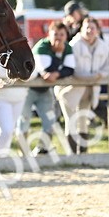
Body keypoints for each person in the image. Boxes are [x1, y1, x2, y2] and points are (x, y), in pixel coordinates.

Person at [20, 21, 74, 155]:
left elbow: (70, 69)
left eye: (62, 34)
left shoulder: (67, 48)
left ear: (66, 36)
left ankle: (41, 149)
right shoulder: (42, 47)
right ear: (49, 34)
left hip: (45, 90)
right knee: (24, 120)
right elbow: (46, 71)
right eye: (55, 34)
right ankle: (23, 153)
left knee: (50, 121)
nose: (58, 38)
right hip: (29, 89)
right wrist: (59, 62)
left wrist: (58, 73)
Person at [58, 16, 109, 153]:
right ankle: (71, 154)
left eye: (92, 28)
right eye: (86, 27)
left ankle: (83, 154)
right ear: (81, 29)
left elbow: (108, 66)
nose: (89, 30)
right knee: (70, 120)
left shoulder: (104, 46)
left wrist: (99, 75)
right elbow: (72, 69)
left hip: (90, 90)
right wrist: (93, 77)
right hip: (70, 89)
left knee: (83, 119)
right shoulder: (73, 45)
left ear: (97, 30)